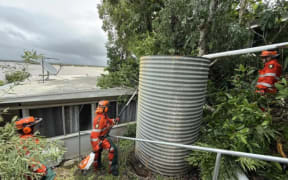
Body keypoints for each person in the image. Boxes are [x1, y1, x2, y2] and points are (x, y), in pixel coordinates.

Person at [90, 100, 120, 176]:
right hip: (99, 139)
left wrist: (114, 120)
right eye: (107, 107)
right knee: (106, 151)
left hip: (104, 136)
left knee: (112, 150)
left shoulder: (104, 116)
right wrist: (96, 146)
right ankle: (97, 168)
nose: (108, 109)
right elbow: (94, 136)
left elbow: (109, 121)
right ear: (104, 108)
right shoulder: (98, 120)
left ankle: (111, 169)